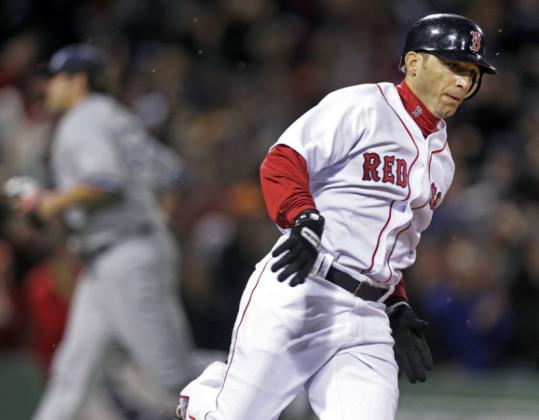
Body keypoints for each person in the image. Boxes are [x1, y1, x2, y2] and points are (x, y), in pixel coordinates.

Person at [177, 13, 497, 420]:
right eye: (453, 66)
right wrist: (302, 218)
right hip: (304, 288)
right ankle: (202, 401)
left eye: (471, 73)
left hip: (368, 319)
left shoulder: (443, 162)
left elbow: (392, 247)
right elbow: (283, 161)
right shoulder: (362, 106)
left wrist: (398, 306)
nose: (462, 82)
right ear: (413, 63)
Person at [26, 44, 221, 420]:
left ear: (79, 81)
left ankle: (290, 394)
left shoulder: (82, 119)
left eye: (56, 78)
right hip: (116, 256)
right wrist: (154, 214)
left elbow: (106, 181)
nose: (48, 87)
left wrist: (51, 202)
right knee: (73, 373)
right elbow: (172, 172)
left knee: (173, 373)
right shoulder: (118, 117)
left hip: (124, 255)